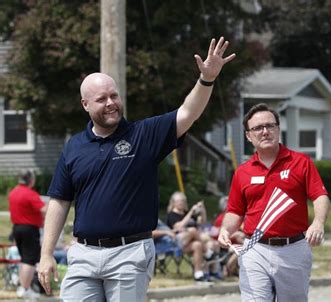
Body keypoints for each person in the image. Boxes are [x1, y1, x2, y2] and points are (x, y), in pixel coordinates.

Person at [38, 37, 236, 300]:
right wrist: (46, 254)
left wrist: (207, 79)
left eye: (114, 95)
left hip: (128, 253)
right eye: (101, 99)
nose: (111, 103)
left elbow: (188, 113)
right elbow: (59, 201)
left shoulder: (143, 135)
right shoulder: (74, 147)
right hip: (83, 254)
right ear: (85, 105)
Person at [217, 103, 330, 301]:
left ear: (278, 129)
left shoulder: (300, 162)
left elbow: (319, 195)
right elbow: (235, 211)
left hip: (293, 249)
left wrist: (318, 222)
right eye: (257, 128)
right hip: (255, 248)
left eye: (270, 126)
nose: (265, 132)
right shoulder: (243, 172)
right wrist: (226, 229)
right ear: (248, 136)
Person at [8, 169, 47, 298]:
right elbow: (44, 209)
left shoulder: (13, 192)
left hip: (17, 228)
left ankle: (23, 287)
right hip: (29, 229)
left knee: (24, 259)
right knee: (29, 261)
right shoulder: (30, 194)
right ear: (31, 180)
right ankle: (25, 289)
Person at [166, 191, 220, 281]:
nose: (182, 203)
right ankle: (207, 253)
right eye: (179, 201)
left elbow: (202, 222)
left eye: (183, 200)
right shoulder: (172, 215)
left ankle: (199, 273)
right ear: (173, 202)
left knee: (199, 245)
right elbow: (178, 227)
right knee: (193, 230)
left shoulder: (186, 213)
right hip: (178, 242)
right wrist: (191, 212)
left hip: (193, 242)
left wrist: (203, 211)